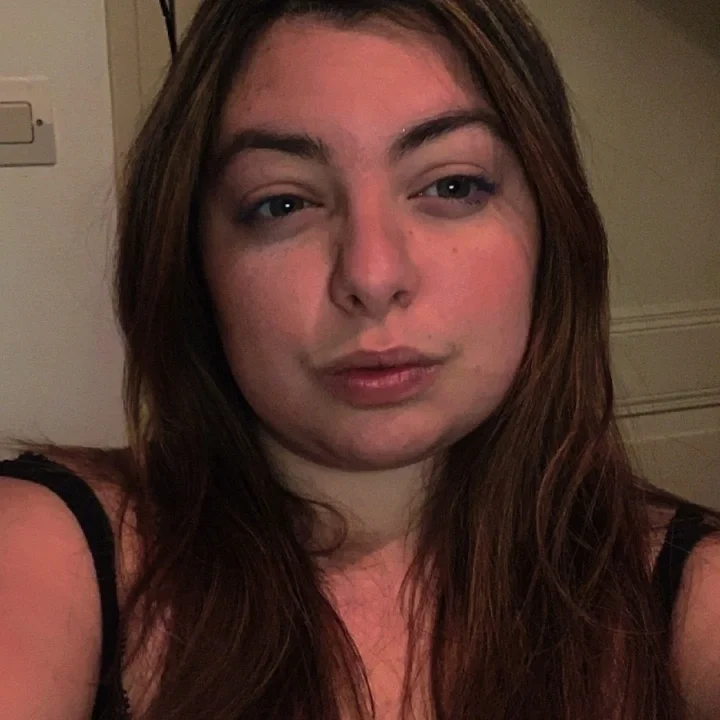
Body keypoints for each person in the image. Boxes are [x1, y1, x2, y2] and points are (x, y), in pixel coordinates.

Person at [1, 0, 718, 718]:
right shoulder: (43, 549)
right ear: (193, 262)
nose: (372, 276)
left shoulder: (693, 591)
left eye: (452, 186)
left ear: (550, 232)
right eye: (282, 204)